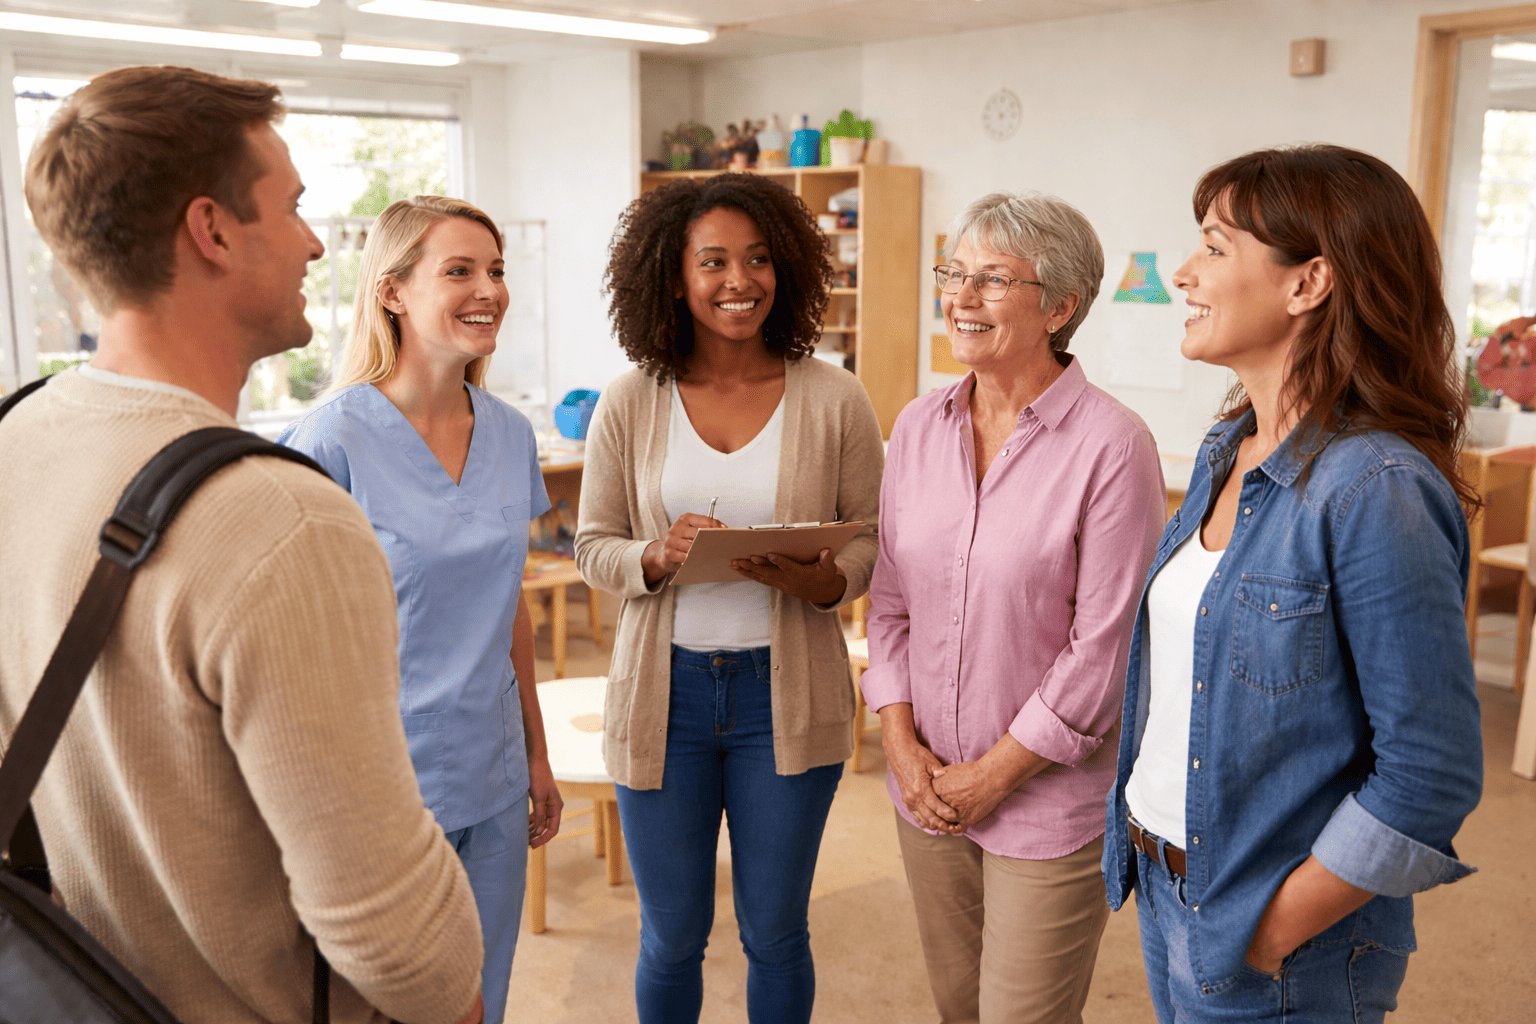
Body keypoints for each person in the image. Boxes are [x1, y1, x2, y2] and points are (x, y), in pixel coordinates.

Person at [0, 66, 483, 1024]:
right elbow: (397, 940)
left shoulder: (18, 436)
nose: (314, 242)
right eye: (294, 207)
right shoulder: (280, 521)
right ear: (213, 230)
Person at [1103, 144, 1484, 1023]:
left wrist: (1273, 927)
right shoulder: (1224, 450)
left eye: (1214, 247)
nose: (1185, 275)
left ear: (1308, 282)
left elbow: (1429, 771)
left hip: (1275, 933)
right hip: (1168, 888)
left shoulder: (1372, 487)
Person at [576, 173, 883, 1024]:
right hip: (661, 698)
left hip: (783, 698)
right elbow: (592, 546)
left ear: (785, 268)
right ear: (674, 275)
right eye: (712, 261)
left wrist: (826, 581)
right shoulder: (632, 399)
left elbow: (869, 536)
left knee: (777, 932)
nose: (737, 280)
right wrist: (656, 554)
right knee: (670, 935)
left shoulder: (834, 396)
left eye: (757, 259)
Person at [863, 191, 1164, 1024]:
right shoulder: (918, 427)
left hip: (1044, 801)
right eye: (954, 273)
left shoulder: (1113, 444)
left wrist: (992, 776)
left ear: (1061, 306)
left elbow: (1105, 651)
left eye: (992, 280)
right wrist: (901, 748)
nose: (960, 297)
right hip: (924, 788)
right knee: (959, 1007)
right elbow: (890, 605)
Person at [279, 195, 561, 1024]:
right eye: (461, 270)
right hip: (381, 787)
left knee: (485, 994)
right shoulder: (329, 440)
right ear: (393, 293)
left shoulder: (509, 436)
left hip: (496, 771)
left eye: (497, 269)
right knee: (386, 1005)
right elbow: (295, 646)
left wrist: (537, 756)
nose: (490, 289)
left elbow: (507, 606)